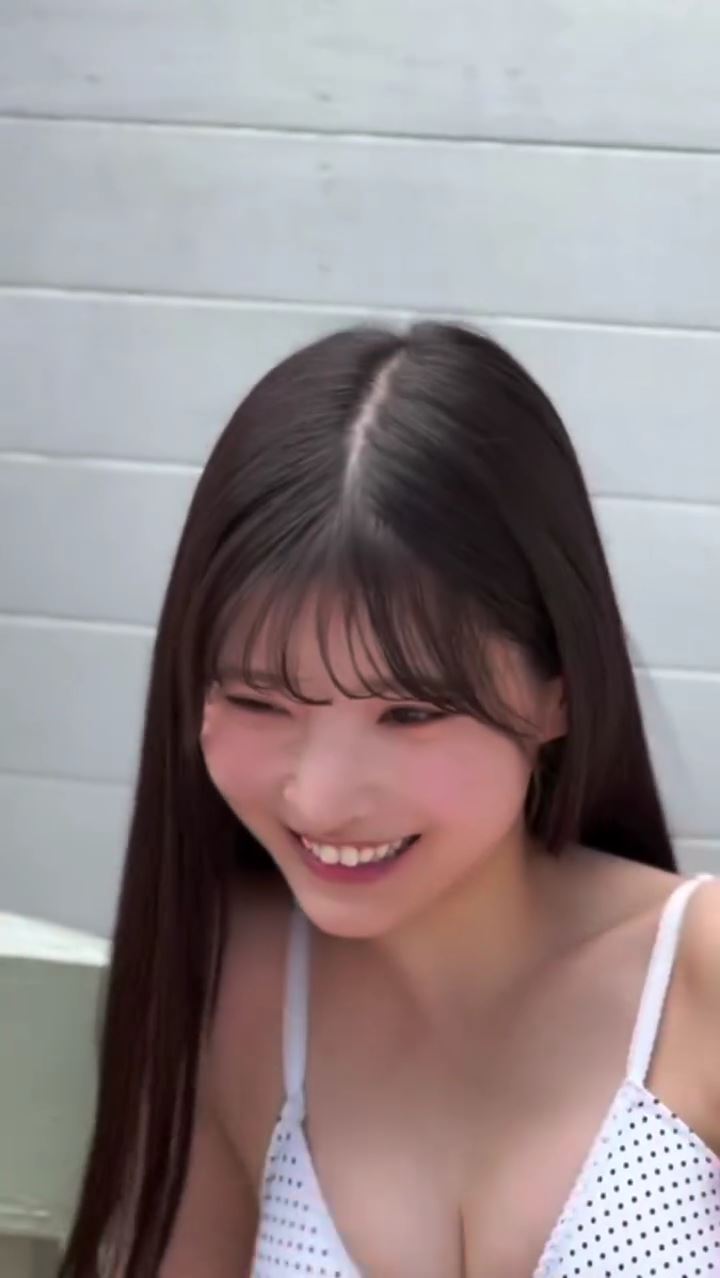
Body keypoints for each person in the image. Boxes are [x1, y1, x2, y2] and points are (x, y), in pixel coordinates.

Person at [59, 322, 720, 1278]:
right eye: (260, 701)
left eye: (410, 712)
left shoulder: (698, 982)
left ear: (559, 692)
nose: (322, 797)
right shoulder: (235, 984)